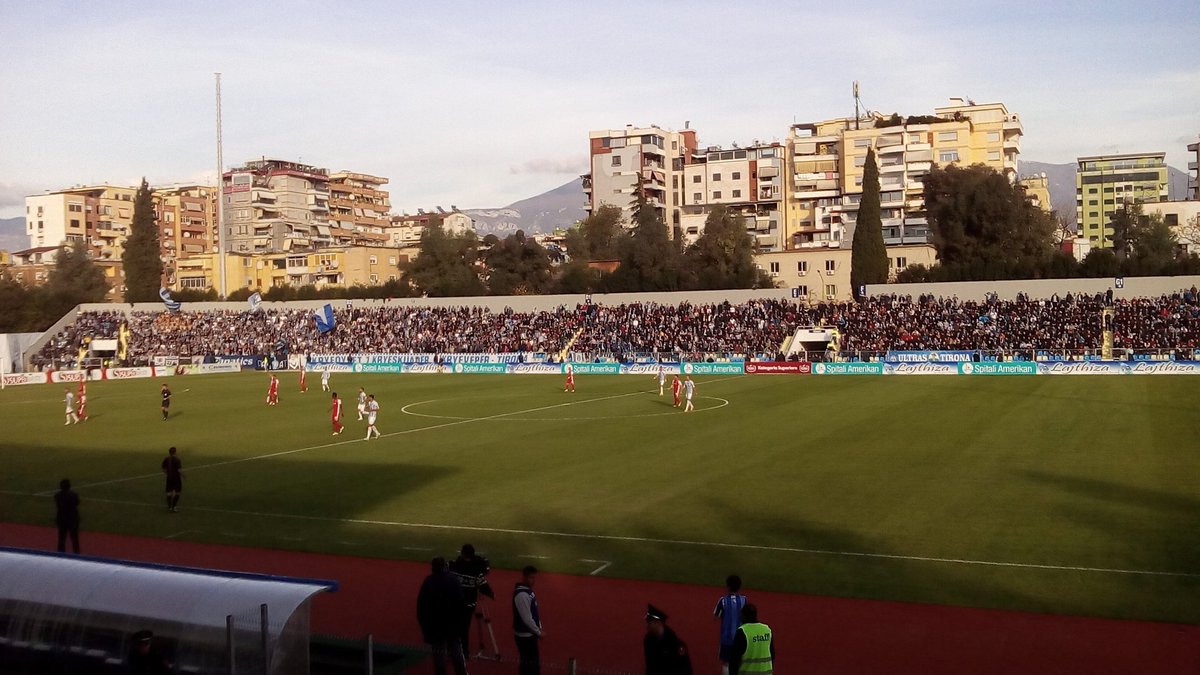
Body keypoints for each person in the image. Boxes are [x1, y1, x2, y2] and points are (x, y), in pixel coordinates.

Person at [416, 557, 469, 675]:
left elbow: (422, 607)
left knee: (439, 656)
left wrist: (425, 627)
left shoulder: (429, 581)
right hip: (451, 625)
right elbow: (461, 603)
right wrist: (461, 623)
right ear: (445, 566)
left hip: (435, 626)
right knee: (456, 652)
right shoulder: (453, 580)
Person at [449, 543, 495, 655]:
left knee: (454, 626)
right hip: (469, 604)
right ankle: (463, 652)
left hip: (455, 603)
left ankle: (453, 650)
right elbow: (483, 585)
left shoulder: (454, 566)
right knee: (464, 628)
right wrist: (491, 594)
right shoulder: (477, 569)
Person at [644, 604, 692, 675]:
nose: (647, 625)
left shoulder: (676, 644)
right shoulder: (648, 641)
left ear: (658, 623)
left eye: (649, 622)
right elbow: (650, 666)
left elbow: (686, 670)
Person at [713, 575, 747, 675]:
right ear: (740, 587)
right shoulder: (744, 600)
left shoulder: (723, 601)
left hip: (726, 638)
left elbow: (715, 617)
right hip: (741, 637)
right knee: (739, 661)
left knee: (726, 663)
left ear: (727, 587)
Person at [512, 565, 542, 675]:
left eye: (535, 578)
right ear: (524, 577)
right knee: (529, 663)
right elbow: (527, 619)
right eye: (531, 578)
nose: (533, 581)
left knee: (531, 662)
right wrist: (539, 632)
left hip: (529, 633)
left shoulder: (528, 592)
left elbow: (534, 614)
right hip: (524, 635)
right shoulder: (522, 595)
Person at [728, 604, 773, 675]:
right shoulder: (766, 629)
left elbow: (734, 660)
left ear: (744, 616)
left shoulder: (742, 631)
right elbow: (772, 653)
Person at [54, 478, 80, 554]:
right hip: (72, 519)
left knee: (61, 538)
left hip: (62, 519)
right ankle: (76, 554)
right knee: (74, 538)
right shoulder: (74, 495)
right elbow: (77, 503)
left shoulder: (57, 495)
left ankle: (60, 554)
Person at [162, 447, 183, 513]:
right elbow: (179, 470)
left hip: (169, 478)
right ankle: (174, 507)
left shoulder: (166, 459)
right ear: (175, 452)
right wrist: (184, 475)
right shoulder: (177, 460)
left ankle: (169, 507)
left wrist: (167, 474)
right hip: (176, 479)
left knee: (169, 492)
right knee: (177, 492)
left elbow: (164, 469)